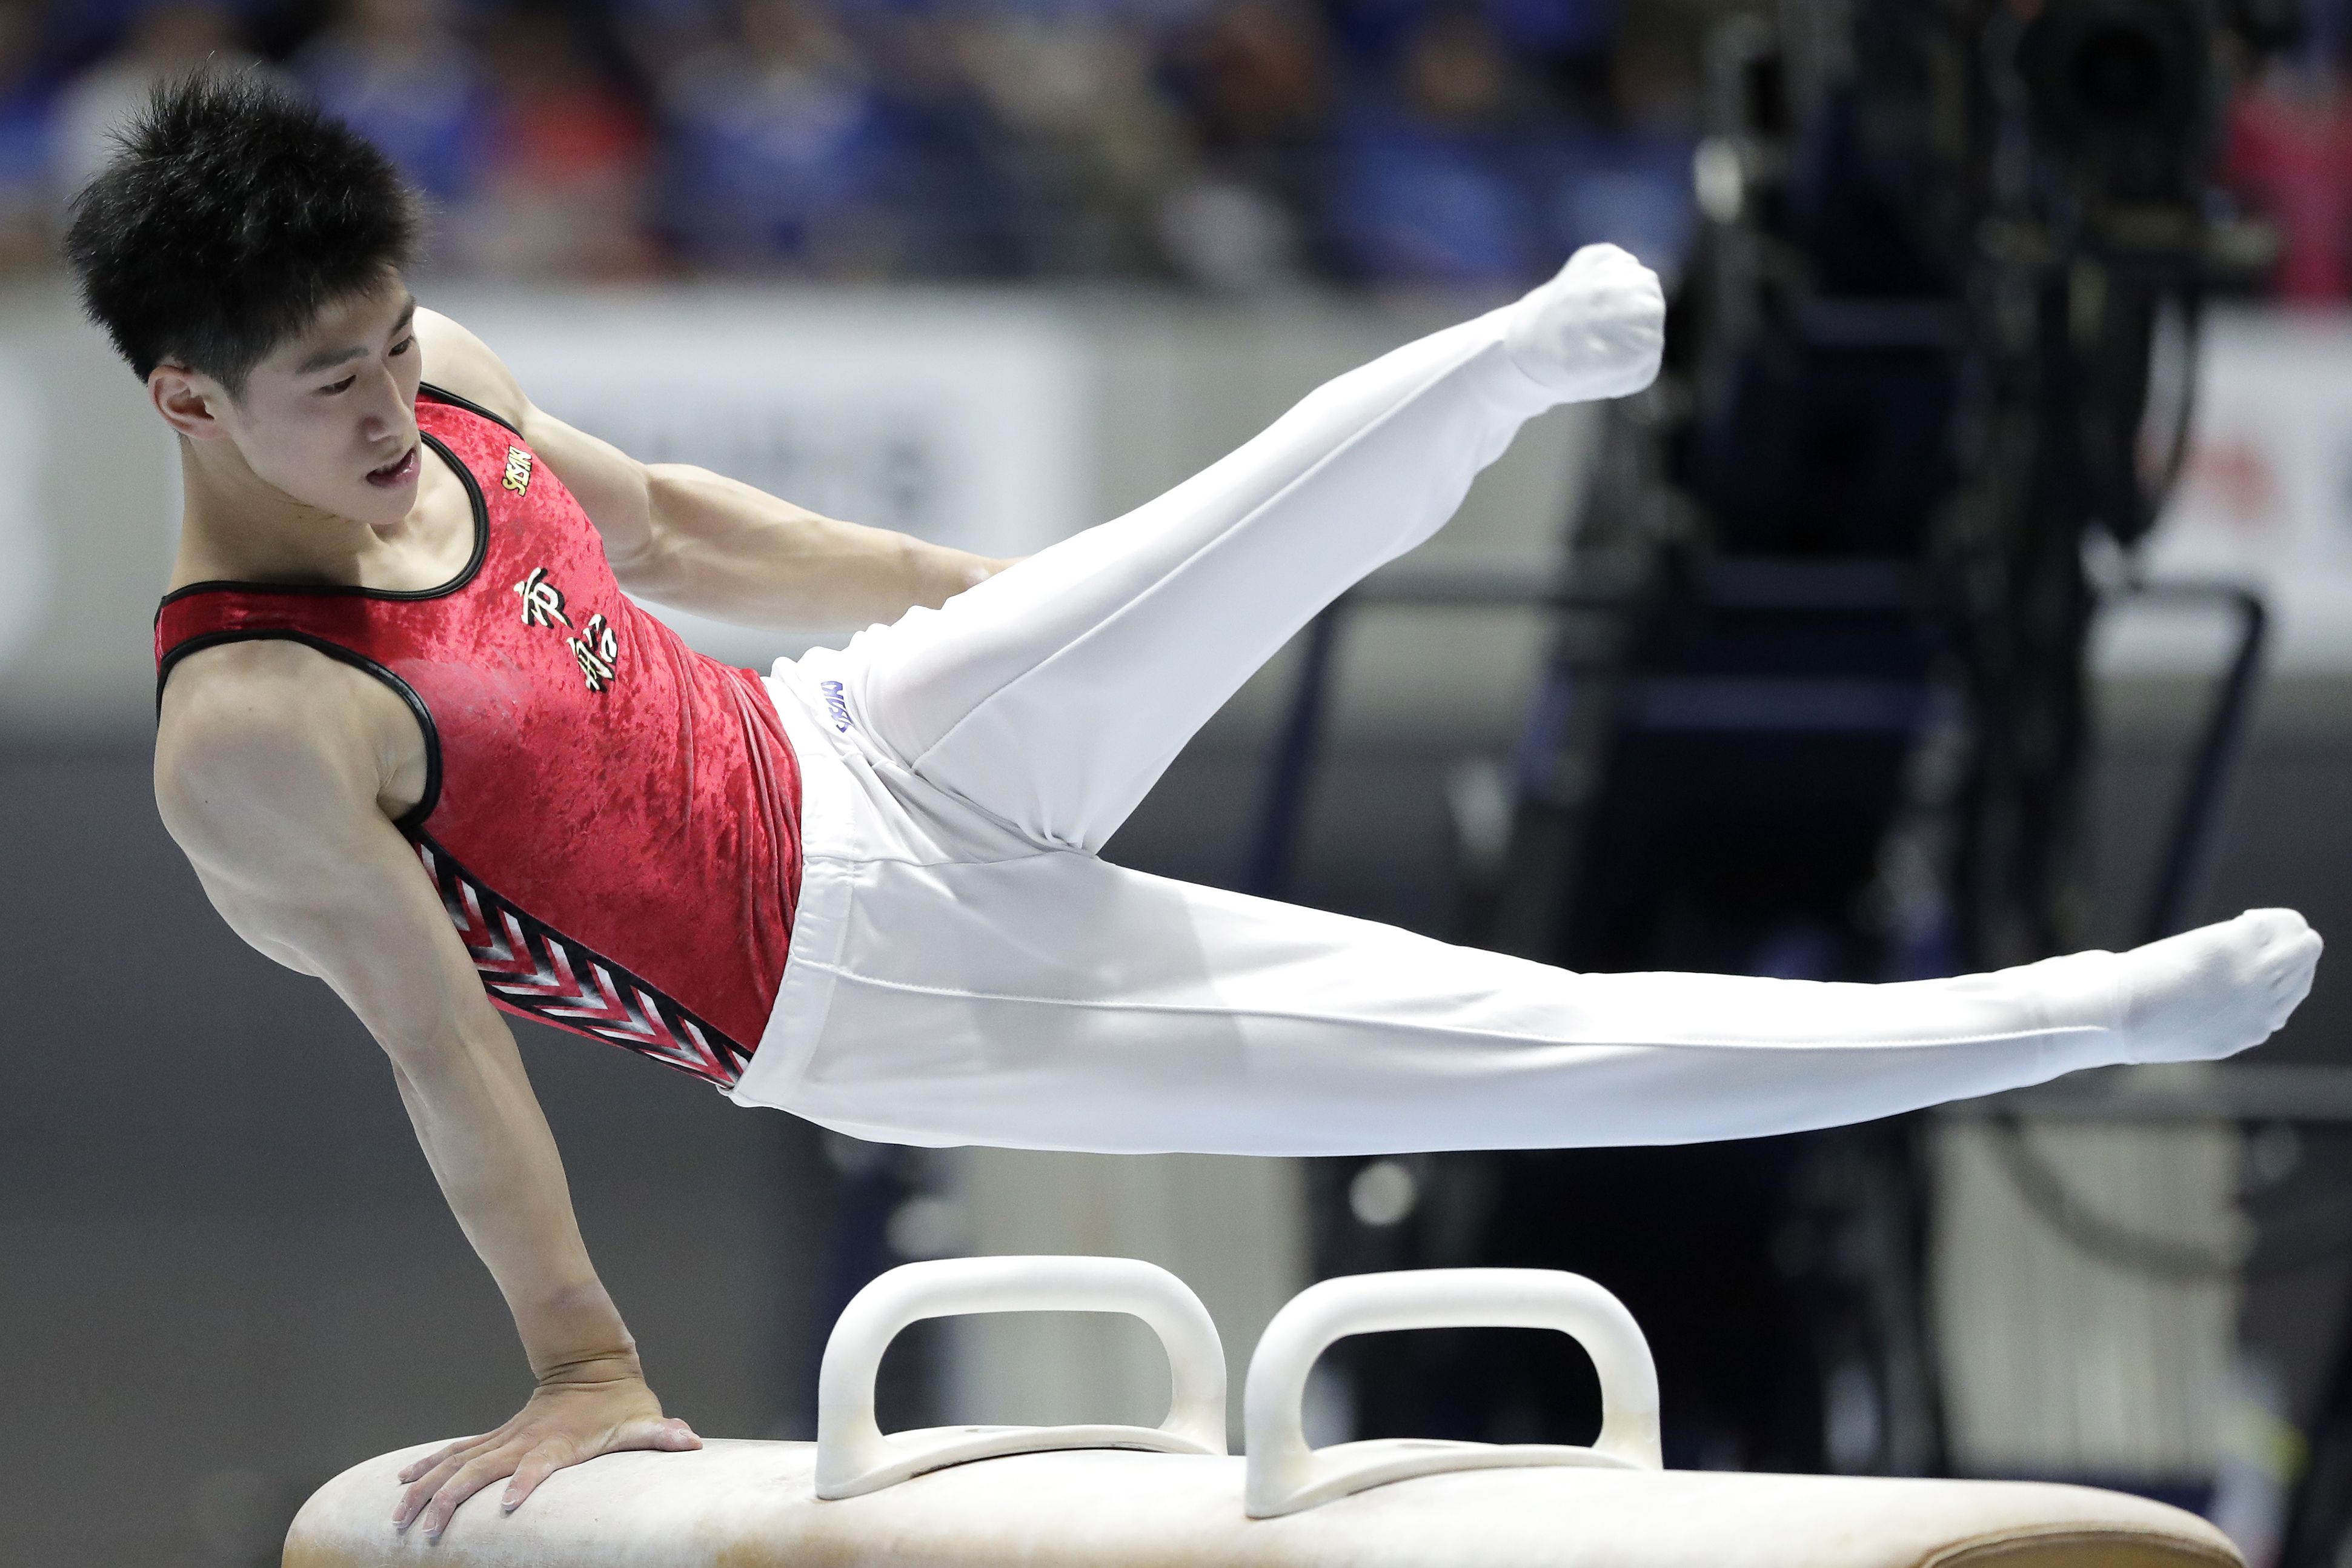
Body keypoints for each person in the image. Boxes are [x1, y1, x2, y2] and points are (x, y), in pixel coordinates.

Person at [68, 69, 2318, 1542]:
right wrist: (583, 1362)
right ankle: (2074, 1015)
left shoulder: (442, 383)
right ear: (184, 398)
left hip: (855, 733)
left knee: (1222, 520)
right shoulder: (254, 724)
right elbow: (443, 1051)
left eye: (392, 341)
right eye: (326, 384)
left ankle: (1524, 347)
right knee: (1500, 1027)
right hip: (857, 982)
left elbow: (667, 531)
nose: (389, 400)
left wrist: (1018, 607)